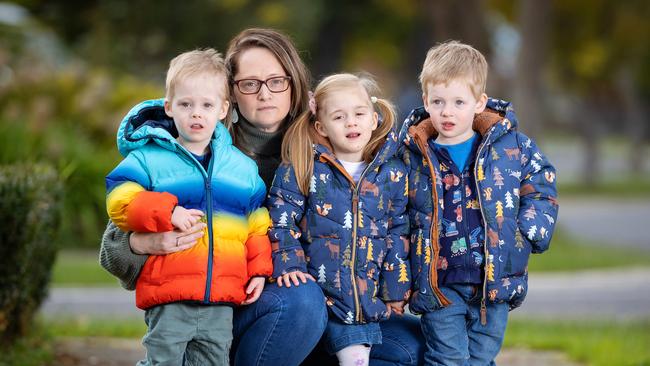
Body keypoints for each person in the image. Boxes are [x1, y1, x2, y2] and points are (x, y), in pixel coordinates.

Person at [100, 28, 425, 366]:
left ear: (294, 83)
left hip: (339, 303)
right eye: (250, 84)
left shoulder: (334, 136)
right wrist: (146, 244)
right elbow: (113, 249)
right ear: (231, 95)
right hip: (245, 306)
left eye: (276, 80)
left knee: (413, 348)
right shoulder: (206, 155)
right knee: (301, 303)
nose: (265, 93)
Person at [105, 48, 272, 365]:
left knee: (212, 360)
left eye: (207, 105)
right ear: (169, 107)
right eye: (185, 104)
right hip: (169, 293)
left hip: (220, 298)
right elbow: (119, 199)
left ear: (223, 109)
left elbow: (256, 222)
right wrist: (167, 212)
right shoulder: (148, 159)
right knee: (162, 360)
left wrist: (260, 270)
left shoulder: (241, 169)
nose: (196, 113)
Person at [399, 40, 559, 365]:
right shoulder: (412, 153)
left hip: (493, 281)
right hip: (438, 284)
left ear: (479, 102)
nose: (447, 111)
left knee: (482, 358)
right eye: (438, 101)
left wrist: (524, 235)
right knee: (448, 358)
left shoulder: (509, 146)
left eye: (459, 101)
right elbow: (388, 207)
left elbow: (542, 185)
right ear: (425, 100)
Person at [268, 73, 410, 366]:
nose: (351, 122)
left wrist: (395, 289)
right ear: (321, 127)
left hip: (363, 301)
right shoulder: (304, 165)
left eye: (359, 114)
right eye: (339, 116)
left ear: (374, 118)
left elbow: (398, 232)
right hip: (320, 296)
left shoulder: (391, 172)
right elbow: (282, 219)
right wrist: (290, 263)